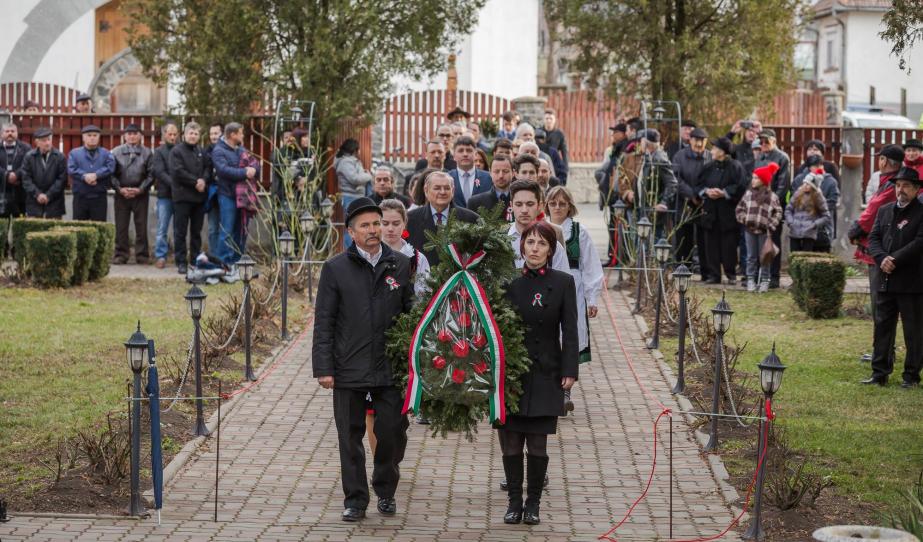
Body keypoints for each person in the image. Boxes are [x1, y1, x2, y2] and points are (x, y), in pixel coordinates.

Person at [312, 197, 414, 522]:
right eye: (365, 226)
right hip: (348, 368)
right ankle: (355, 499)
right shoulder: (335, 269)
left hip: (390, 368)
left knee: (392, 432)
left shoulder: (399, 263)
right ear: (351, 233)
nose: (373, 230)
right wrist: (324, 368)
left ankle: (385, 489)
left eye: (377, 223)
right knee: (350, 436)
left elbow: (411, 312)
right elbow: (324, 321)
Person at [500, 220, 578, 526]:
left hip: (547, 370)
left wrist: (569, 370)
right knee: (510, 441)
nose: (535, 248)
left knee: (537, 442)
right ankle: (513, 502)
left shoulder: (562, 282)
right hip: (512, 374)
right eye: (530, 242)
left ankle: (533, 504)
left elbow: (570, 329)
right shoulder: (508, 281)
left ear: (551, 249)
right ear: (522, 247)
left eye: (542, 243)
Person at [863, 167, 923, 388]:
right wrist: (881, 259)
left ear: (917, 189)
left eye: (906, 185)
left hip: (911, 281)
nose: (901, 190)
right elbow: (873, 238)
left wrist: (894, 259)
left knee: (913, 331)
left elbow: (919, 242)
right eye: (898, 185)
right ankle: (879, 374)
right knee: (882, 328)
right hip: (886, 279)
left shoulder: (921, 211)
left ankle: (911, 376)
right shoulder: (885, 210)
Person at [545, 186, 602, 407]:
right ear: (547, 205)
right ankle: (550, 387)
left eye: (562, 203)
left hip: (574, 289)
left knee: (569, 337)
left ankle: (566, 390)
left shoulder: (579, 231)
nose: (558, 207)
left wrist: (592, 298)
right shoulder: (541, 229)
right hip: (548, 286)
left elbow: (591, 266)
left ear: (570, 206)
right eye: (553, 203)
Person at [849, 147, 905, 365]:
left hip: (880, 253)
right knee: (880, 307)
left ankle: (883, 353)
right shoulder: (889, 183)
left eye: (880, 159)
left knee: (881, 306)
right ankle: (881, 350)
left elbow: (873, 210)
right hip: (879, 250)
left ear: (884, 161)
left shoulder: (891, 186)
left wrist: (857, 227)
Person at [695, 137, 746, 285]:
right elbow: (698, 185)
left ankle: (730, 274)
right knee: (710, 245)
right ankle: (714, 275)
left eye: (715, 148)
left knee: (729, 245)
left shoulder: (736, 167)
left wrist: (724, 193)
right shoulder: (708, 166)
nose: (712, 151)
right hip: (710, 212)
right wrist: (707, 192)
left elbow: (741, 186)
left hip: (728, 212)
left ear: (723, 152)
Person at [405, 169, 478, 265]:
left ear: (453, 190)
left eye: (447, 188)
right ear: (426, 191)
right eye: (437, 188)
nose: (442, 192)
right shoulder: (410, 219)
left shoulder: (471, 219)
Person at [212, 122, 260, 267]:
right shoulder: (219, 151)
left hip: (243, 197)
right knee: (227, 231)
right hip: (227, 196)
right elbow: (223, 171)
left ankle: (236, 262)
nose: (243, 135)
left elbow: (255, 163)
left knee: (241, 230)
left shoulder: (240, 149)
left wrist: (253, 169)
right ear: (232, 135)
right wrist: (245, 172)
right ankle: (223, 264)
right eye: (241, 133)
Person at [170, 122, 212, 275]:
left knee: (196, 231)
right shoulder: (176, 151)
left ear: (199, 136)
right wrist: (196, 182)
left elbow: (208, 167)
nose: (193, 136)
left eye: (196, 134)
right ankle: (181, 262)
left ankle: (195, 260)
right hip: (182, 198)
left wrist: (204, 180)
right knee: (180, 232)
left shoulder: (201, 151)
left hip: (199, 199)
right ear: (184, 135)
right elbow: (177, 171)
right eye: (190, 133)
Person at [735, 163, 783, 292]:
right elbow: (739, 209)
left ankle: (764, 281)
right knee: (751, 256)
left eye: (756, 178)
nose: (753, 180)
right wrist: (744, 220)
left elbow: (778, 212)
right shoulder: (748, 195)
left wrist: (771, 225)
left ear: (763, 180)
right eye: (753, 178)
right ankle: (750, 279)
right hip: (749, 230)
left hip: (764, 232)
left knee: (765, 257)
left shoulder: (772, 197)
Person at [111, 124, 154, 264]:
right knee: (121, 226)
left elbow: (151, 175)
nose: (132, 136)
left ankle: (142, 255)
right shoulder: (115, 152)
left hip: (140, 195)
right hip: (121, 195)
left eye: (135, 133)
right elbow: (111, 174)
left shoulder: (147, 153)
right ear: (124, 136)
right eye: (129, 134)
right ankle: (121, 254)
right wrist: (119, 189)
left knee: (141, 226)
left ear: (140, 136)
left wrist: (141, 189)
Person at [753, 129, 791, 289]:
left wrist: (772, 203)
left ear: (774, 141)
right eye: (760, 142)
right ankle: (759, 276)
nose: (763, 144)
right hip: (758, 207)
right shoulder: (760, 158)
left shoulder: (782, 158)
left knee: (773, 242)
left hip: (773, 207)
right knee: (758, 243)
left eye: (766, 141)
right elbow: (754, 181)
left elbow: (783, 185)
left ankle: (774, 277)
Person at [508, 180, 569, 272]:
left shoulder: (554, 242)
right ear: (511, 205)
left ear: (540, 206)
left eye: (530, 204)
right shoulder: (499, 238)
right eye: (519, 204)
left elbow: (564, 281)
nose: (524, 210)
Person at [671, 127, 710, 265]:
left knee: (703, 238)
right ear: (690, 140)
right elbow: (675, 178)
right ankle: (683, 266)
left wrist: (701, 195)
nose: (699, 144)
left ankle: (705, 269)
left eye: (702, 141)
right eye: (696, 140)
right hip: (684, 202)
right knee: (683, 237)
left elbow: (711, 179)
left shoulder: (709, 156)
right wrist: (691, 194)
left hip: (704, 203)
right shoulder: (679, 156)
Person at [379, 198, 430, 299]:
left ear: (404, 223)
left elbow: (424, 295)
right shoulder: (369, 255)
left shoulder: (417, 259)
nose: (390, 229)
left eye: (396, 223)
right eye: (385, 223)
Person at [791, 155, 840, 252]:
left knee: (821, 256)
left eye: (821, 165)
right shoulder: (799, 180)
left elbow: (833, 201)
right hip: (801, 225)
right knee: (799, 256)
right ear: (809, 167)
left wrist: (818, 210)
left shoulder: (831, 181)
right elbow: (793, 200)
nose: (819, 167)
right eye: (815, 166)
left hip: (822, 226)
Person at [68, 125, 115, 221]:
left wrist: (96, 175)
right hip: (80, 197)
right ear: (83, 138)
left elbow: (110, 167)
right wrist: (84, 176)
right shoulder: (74, 153)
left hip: (99, 197)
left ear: (99, 137)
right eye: (89, 135)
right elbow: (71, 169)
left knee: (99, 227)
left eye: (95, 135)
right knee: (79, 227)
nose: (92, 138)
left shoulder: (106, 153)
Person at [21, 127, 67, 219]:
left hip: (54, 202)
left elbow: (62, 180)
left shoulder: (60, 157)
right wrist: (38, 194)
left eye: (49, 139)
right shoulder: (29, 157)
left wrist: (48, 195)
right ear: (36, 142)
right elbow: (26, 179)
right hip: (34, 202)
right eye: (43, 140)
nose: (47, 143)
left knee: (54, 231)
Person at [151, 121, 179, 268]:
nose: (172, 137)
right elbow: (159, 172)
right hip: (165, 196)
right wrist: (175, 184)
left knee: (178, 228)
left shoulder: (181, 150)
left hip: (180, 197)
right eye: (170, 134)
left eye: (175, 134)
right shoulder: (159, 152)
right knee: (162, 228)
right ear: (164, 135)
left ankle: (178, 256)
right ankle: (161, 256)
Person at [784, 177, 831, 253]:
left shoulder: (818, 196)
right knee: (793, 256)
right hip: (795, 230)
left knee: (805, 257)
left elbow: (826, 216)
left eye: (808, 184)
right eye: (804, 183)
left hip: (809, 232)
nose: (805, 186)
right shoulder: (797, 194)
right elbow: (788, 209)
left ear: (813, 186)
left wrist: (814, 224)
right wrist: (790, 222)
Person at [449, 136, 493, 208]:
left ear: (475, 154)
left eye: (469, 150)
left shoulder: (488, 178)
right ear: (454, 155)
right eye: (461, 151)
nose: (465, 154)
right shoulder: (447, 178)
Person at [468, 154, 513, 219]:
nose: (501, 176)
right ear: (490, 173)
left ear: (513, 173)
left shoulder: (522, 200)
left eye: (505, 171)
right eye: (496, 171)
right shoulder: (475, 202)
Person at [0, 123, 31, 219]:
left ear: (17, 133)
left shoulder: (26, 148)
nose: (10, 133)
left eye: (12, 131)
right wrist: (6, 175)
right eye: (7, 131)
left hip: (20, 192)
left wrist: (17, 175)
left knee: (20, 223)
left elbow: (28, 165)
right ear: (1, 134)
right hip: (1, 190)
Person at [335, 138, 372, 215]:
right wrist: (368, 176)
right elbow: (355, 179)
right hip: (351, 197)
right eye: (358, 148)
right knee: (352, 223)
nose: (359, 151)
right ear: (354, 149)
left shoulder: (352, 161)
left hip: (357, 196)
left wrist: (364, 174)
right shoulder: (345, 162)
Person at [205, 123, 223, 254]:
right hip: (212, 195)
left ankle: (225, 257)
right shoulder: (206, 152)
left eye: (216, 133)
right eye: (211, 134)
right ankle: (214, 255)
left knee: (227, 228)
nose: (213, 136)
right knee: (212, 228)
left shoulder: (228, 149)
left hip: (227, 193)